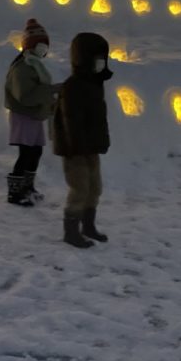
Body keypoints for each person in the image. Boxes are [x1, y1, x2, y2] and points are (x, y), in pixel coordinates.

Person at [52, 32, 112, 248]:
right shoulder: (73, 86)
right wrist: (77, 147)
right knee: (80, 189)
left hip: (91, 147)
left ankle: (88, 226)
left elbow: (99, 118)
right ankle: (71, 232)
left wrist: (101, 141)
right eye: (97, 59)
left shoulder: (95, 84)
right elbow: (70, 121)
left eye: (103, 59)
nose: (101, 63)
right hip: (75, 150)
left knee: (95, 188)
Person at [4, 19, 59, 207]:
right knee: (26, 153)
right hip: (24, 115)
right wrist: (51, 90)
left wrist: (50, 99)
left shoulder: (34, 65)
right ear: (30, 45)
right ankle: (14, 193)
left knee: (35, 152)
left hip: (34, 115)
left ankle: (28, 187)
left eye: (45, 45)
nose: (43, 49)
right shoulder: (23, 67)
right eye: (40, 45)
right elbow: (25, 96)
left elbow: (38, 91)